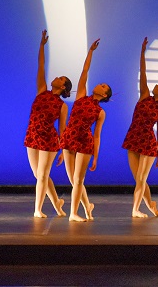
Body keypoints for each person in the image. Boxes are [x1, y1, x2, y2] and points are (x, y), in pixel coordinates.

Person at [60, 39, 112, 222]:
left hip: (84, 142)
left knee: (79, 179)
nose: (100, 85)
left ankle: (74, 213)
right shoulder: (81, 95)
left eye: (104, 86)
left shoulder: (100, 111)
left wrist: (96, 156)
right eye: (101, 83)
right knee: (73, 181)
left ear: (104, 95)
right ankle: (87, 206)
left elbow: (97, 135)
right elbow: (85, 71)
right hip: (69, 138)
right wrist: (91, 51)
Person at [122, 37, 158, 218]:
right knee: (138, 179)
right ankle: (150, 203)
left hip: (149, 144)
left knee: (142, 179)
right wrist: (142, 52)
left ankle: (136, 209)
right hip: (133, 138)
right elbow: (143, 72)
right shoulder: (144, 95)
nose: (157, 85)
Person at [24, 30, 70, 218]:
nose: (56, 77)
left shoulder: (61, 105)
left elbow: (62, 129)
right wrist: (42, 46)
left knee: (43, 175)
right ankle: (57, 204)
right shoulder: (42, 90)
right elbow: (41, 66)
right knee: (38, 175)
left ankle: (38, 209)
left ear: (63, 87)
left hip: (49, 141)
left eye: (60, 78)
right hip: (32, 135)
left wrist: (62, 149)